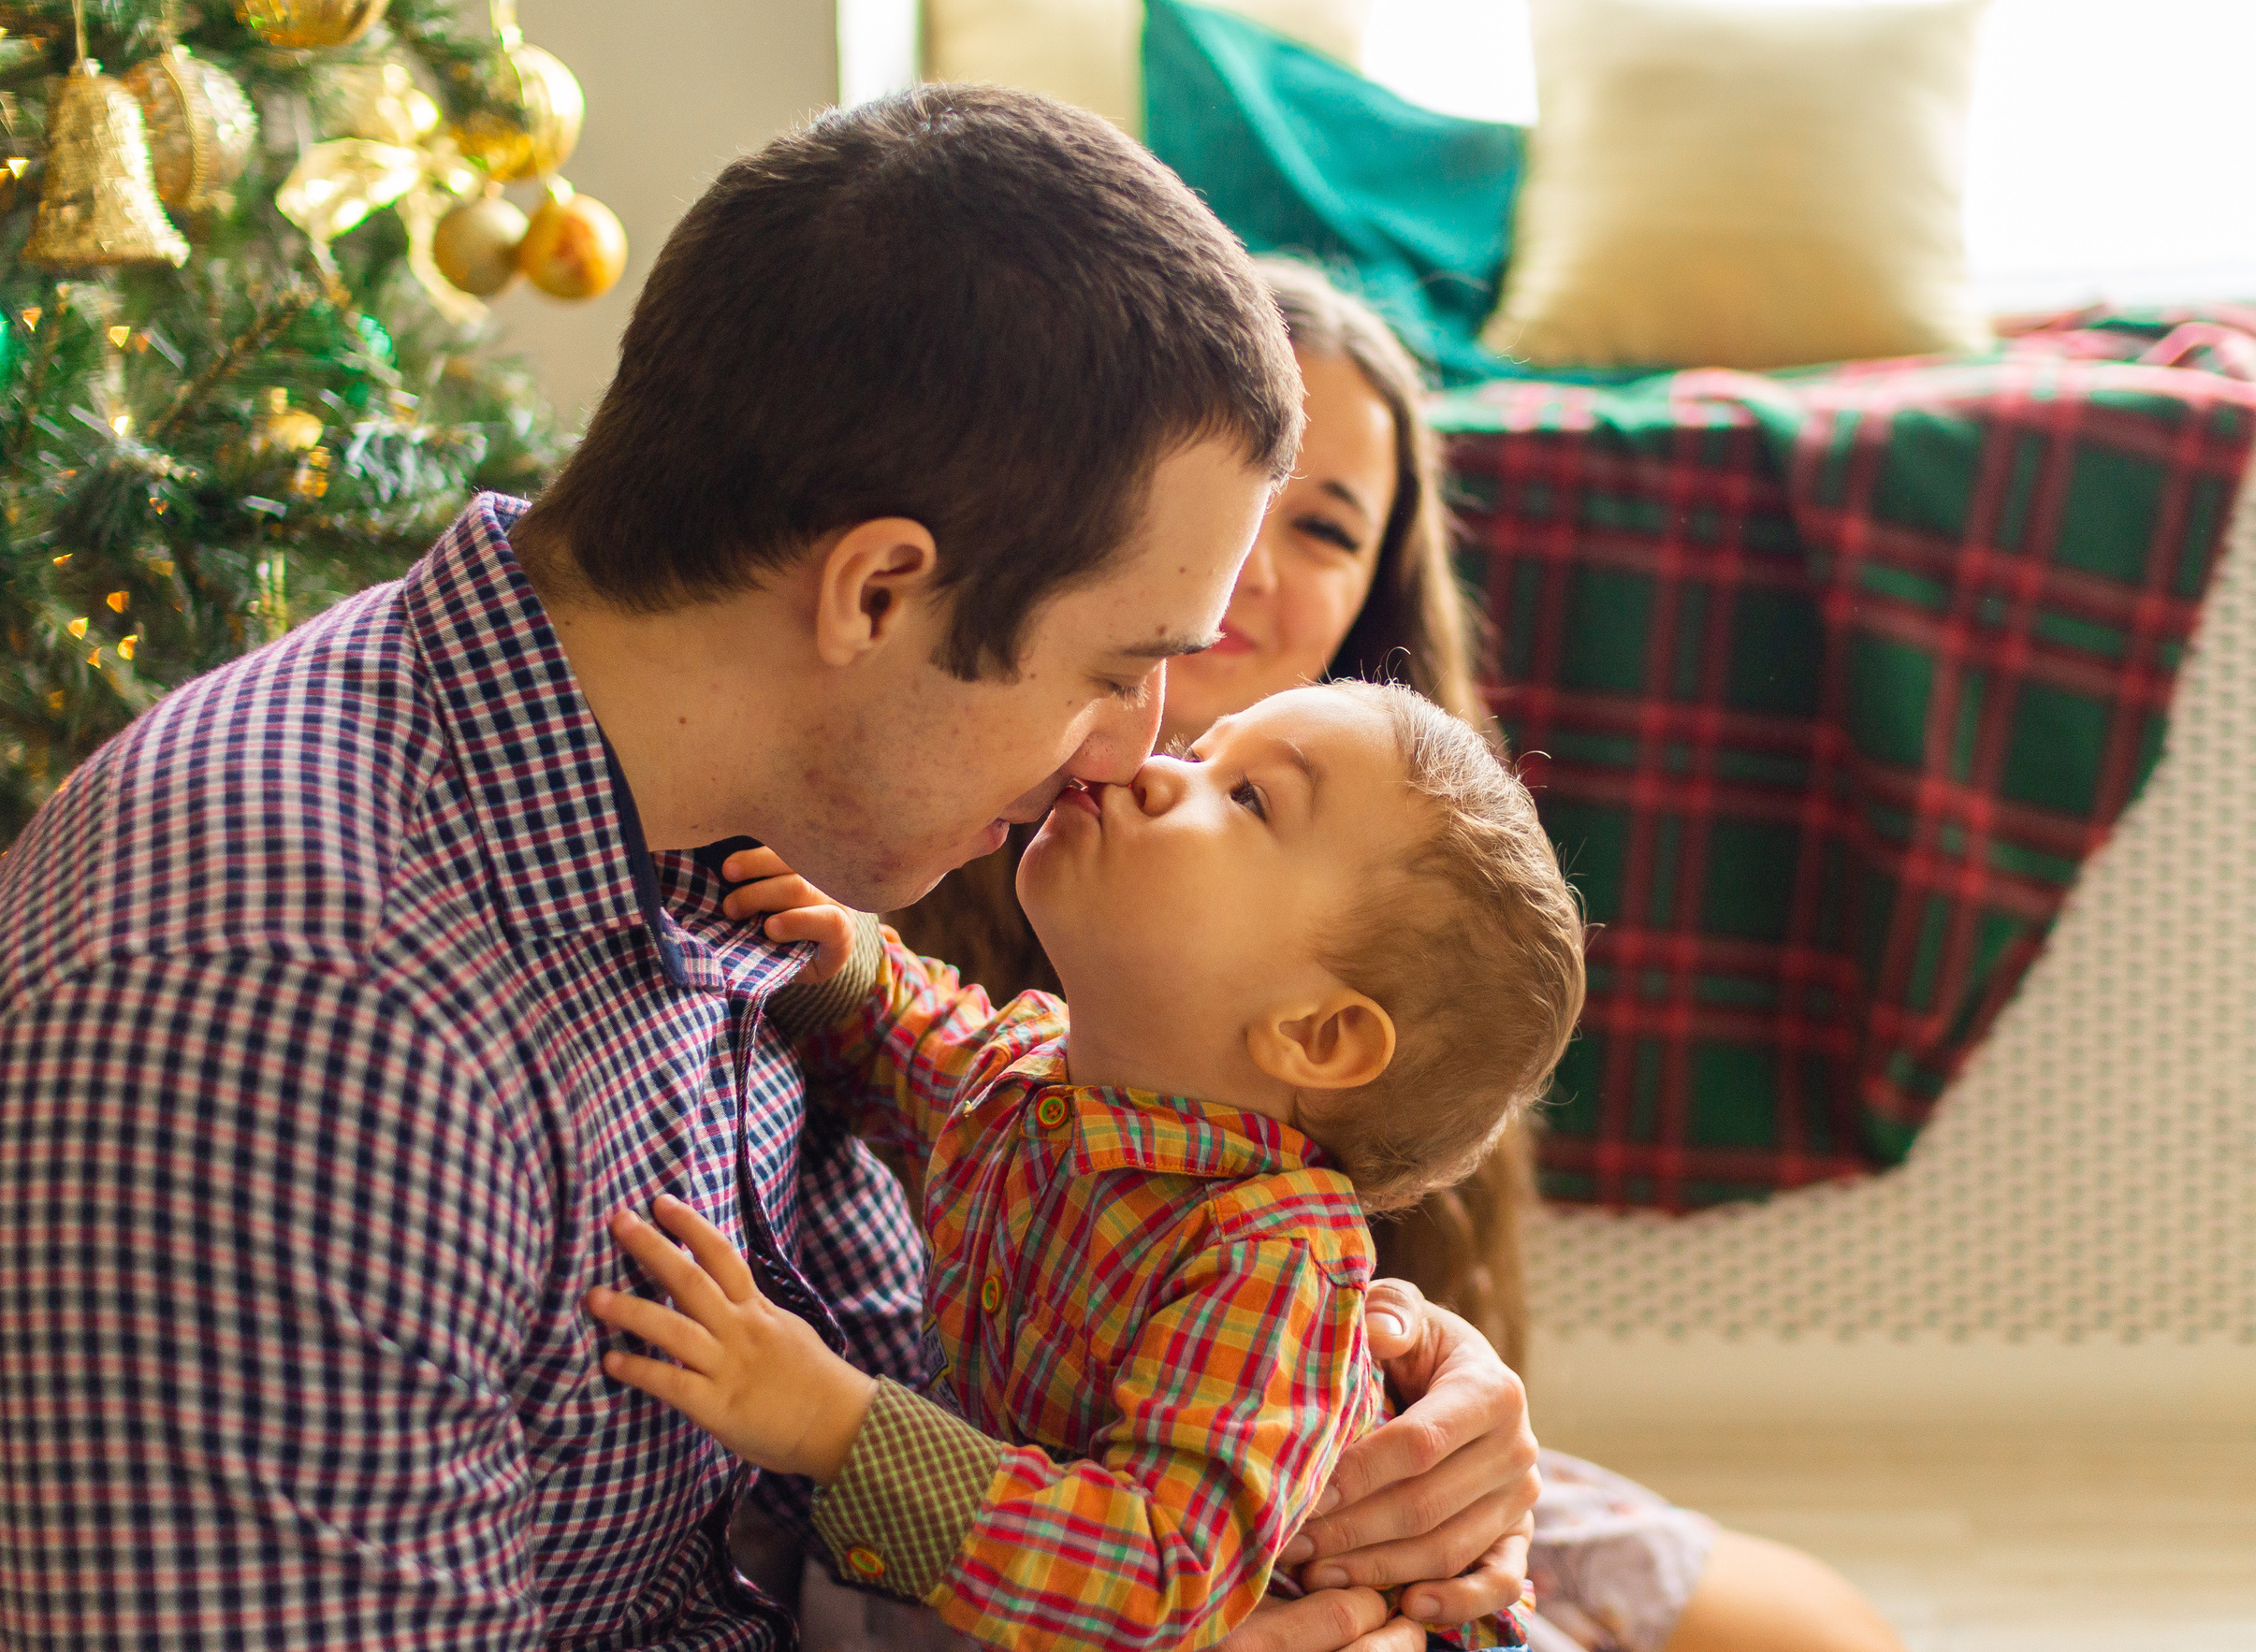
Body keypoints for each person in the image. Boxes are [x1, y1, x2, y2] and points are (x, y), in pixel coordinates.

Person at [0, 93, 1537, 1651]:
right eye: (1113, 669)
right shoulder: (292, 1024)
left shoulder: (704, 810)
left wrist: (1363, 1392)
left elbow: (970, 1293)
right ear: (874, 593)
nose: (1126, 752)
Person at [887, 259, 1903, 1652]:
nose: (1250, 562)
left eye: (1322, 525)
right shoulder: (919, 828)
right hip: (1046, 1501)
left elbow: (1364, 1298)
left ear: (1373, 599)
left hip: (1289, 1473)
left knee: (1815, 1630)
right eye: (1220, 496)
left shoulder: (1412, 910)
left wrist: (1446, 1402)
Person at [589, 681, 1583, 1651]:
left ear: (1318, 1035)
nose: (1151, 768)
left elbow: (1160, 1566)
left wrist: (834, 1425)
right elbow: (930, 1055)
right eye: (1199, 751)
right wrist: (842, 965)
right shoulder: (1048, 1076)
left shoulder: (1269, 1265)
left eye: (1247, 797)